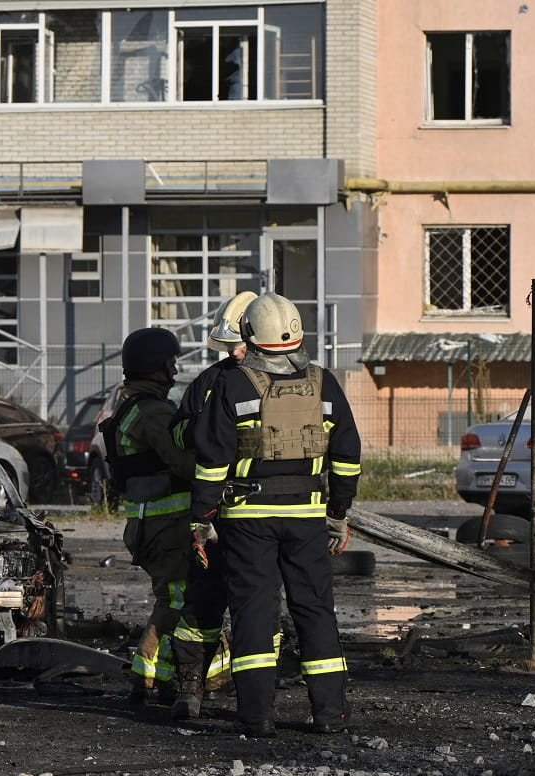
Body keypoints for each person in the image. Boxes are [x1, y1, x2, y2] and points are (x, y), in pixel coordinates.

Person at [186, 292, 362, 737]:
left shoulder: (233, 384)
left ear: (249, 335)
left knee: (254, 611)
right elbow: (347, 457)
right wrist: (338, 513)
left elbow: (212, 460)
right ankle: (330, 715)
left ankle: (257, 717)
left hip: (247, 519)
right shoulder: (324, 382)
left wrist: (201, 518)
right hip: (308, 517)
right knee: (316, 609)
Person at [164, 291, 257, 724]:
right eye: (230, 345)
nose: (235, 352)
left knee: (258, 608)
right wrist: (208, 429)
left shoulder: (288, 382)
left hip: (260, 515)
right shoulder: (209, 382)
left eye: (240, 343)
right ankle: (190, 687)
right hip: (215, 513)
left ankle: (258, 695)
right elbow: (178, 433)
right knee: (202, 600)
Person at [100, 327, 195, 708]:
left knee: (173, 599)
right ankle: (149, 676)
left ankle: (156, 677)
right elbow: (185, 462)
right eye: (171, 362)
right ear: (155, 367)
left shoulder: (132, 407)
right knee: (178, 601)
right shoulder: (154, 412)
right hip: (167, 527)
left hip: (149, 526)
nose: (175, 369)